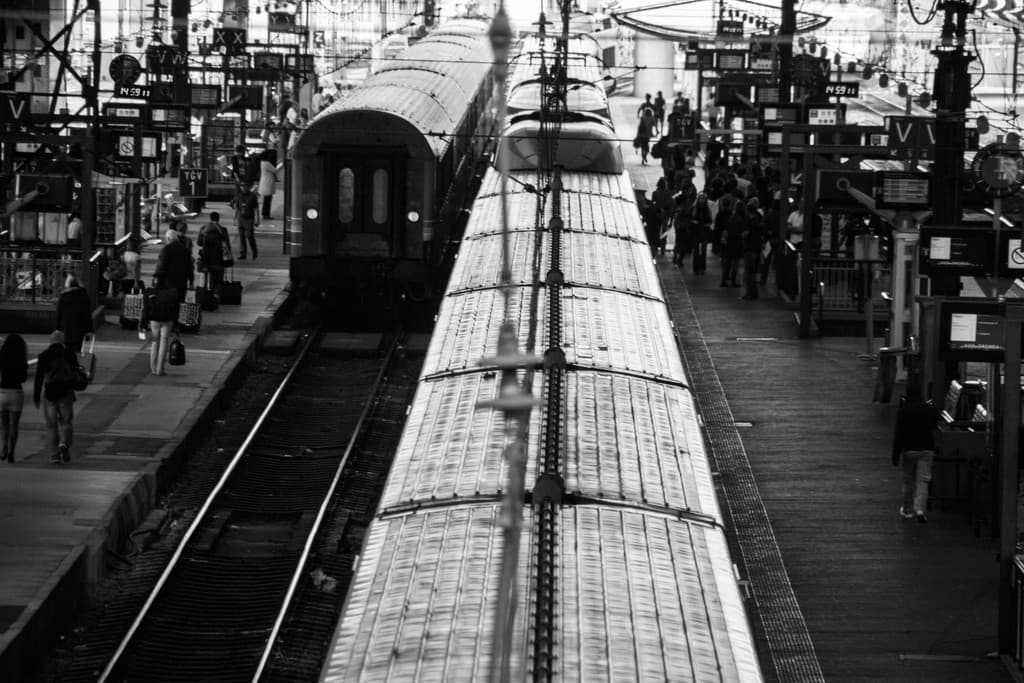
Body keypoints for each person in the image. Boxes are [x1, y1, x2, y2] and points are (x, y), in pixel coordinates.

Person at [892, 386, 941, 522]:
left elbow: (898, 435)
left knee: (909, 480)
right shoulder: (930, 410)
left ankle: (907, 510)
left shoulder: (904, 412)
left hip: (909, 449)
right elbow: (935, 426)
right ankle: (920, 510)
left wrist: (895, 455)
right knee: (923, 481)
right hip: (927, 448)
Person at [33, 330, 78, 465]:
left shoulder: (44, 356)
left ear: (50, 340)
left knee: (51, 426)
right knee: (67, 422)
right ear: (62, 340)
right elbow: (75, 374)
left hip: (50, 395)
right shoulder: (69, 354)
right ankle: (64, 444)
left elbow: (39, 378)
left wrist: (36, 396)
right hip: (66, 393)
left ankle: (54, 456)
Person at [141, 274, 180, 376]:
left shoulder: (149, 292)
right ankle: (160, 369)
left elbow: (145, 310)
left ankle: (153, 368)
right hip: (167, 320)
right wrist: (176, 326)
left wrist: (143, 324)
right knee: (164, 343)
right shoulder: (172, 293)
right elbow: (176, 310)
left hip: (154, 320)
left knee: (155, 343)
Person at [0, 333, 28, 463]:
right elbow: (23, 378)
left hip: (2, 393)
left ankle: (3, 448)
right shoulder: (21, 359)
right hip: (16, 393)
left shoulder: (1, 357)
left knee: (4, 425)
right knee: (14, 425)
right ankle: (11, 452)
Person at [55, 272, 93, 353]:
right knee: (77, 350)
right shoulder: (83, 295)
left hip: (66, 327)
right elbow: (87, 314)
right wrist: (89, 330)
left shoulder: (63, 296)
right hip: (79, 328)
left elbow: (59, 313)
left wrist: (57, 328)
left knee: (67, 350)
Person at [198, 212, 232, 300]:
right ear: (218, 219)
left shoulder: (204, 229)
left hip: (207, 259)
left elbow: (199, 242)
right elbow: (227, 245)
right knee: (219, 280)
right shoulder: (223, 230)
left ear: (210, 218)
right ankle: (217, 296)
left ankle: (209, 296)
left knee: (208, 280)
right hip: (220, 259)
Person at [154, 228, 193, 302]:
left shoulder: (166, 249)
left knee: (169, 303)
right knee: (180, 302)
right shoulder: (185, 249)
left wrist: (157, 278)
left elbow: (161, 266)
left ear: (168, 239)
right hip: (182, 282)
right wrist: (191, 280)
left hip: (168, 282)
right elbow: (190, 266)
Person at [235, 183, 260, 260]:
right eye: (241, 186)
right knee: (241, 236)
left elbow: (256, 208)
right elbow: (237, 208)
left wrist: (257, 220)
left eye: (244, 186)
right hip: (241, 218)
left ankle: (254, 251)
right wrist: (235, 218)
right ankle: (243, 253)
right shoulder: (239, 195)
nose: (243, 188)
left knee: (249, 236)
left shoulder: (252, 196)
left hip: (249, 218)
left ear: (248, 187)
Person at [258, 151, 281, 219]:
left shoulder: (262, 162)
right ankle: (266, 214)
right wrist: (280, 165)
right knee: (267, 200)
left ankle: (265, 214)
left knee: (266, 200)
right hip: (267, 183)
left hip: (265, 182)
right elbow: (275, 170)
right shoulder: (267, 163)